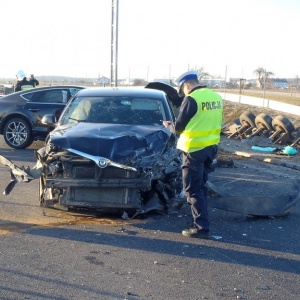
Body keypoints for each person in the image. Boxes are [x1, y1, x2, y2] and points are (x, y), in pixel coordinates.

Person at [163, 70, 223, 239]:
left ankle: (201, 228)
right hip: (210, 148)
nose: (183, 93)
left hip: (193, 151)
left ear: (186, 85)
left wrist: (169, 125)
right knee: (201, 187)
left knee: (192, 190)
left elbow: (179, 127)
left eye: (182, 89)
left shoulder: (192, 99)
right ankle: (200, 221)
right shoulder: (215, 97)